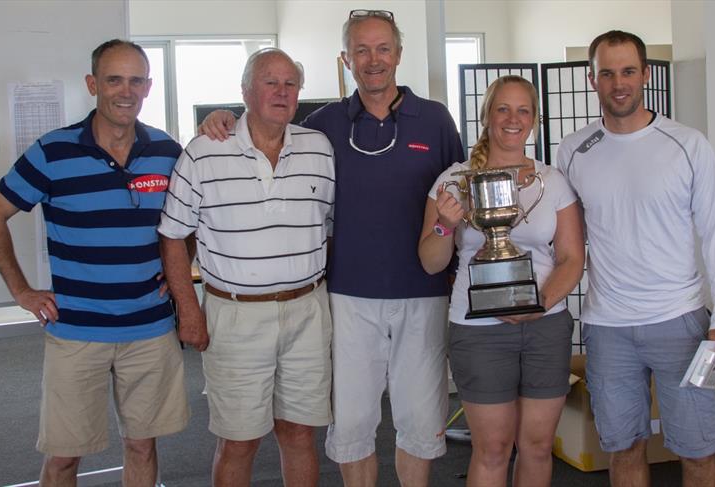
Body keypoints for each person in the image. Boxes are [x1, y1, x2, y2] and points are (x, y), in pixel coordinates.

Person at [199, 10, 464, 487]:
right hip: (345, 299)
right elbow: (264, 125)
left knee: (421, 424)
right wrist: (221, 119)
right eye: (361, 50)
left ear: (399, 55)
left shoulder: (437, 121)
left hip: (422, 296)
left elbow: (457, 202)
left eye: (383, 48)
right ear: (346, 60)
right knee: (352, 425)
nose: (373, 60)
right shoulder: (322, 126)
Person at [0, 40, 189, 486]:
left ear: (148, 87)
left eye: (136, 80)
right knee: (63, 458)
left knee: (141, 445)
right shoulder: (53, 152)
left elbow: (183, 226)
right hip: (77, 332)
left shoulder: (168, 152)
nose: (125, 91)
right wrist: (21, 290)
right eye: (114, 79)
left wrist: (178, 273)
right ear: (93, 84)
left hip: (149, 330)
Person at [556, 30, 715, 487]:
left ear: (646, 74)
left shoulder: (688, 144)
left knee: (698, 450)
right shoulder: (572, 151)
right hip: (607, 328)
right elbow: (563, 241)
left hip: (682, 324)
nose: (618, 83)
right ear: (591, 79)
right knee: (623, 448)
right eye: (607, 73)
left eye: (628, 71)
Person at [157, 48, 334, 487]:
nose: (281, 92)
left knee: (299, 434)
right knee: (239, 440)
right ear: (245, 92)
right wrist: (190, 311)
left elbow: (326, 225)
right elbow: (173, 235)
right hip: (234, 316)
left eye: (290, 84)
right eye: (269, 82)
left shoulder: (319, 148)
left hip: (307, 311)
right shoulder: (202, 152)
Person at [418, 75, 584, 486]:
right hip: (478, 330)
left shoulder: (553, 182)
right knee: (492, 449)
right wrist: (443, 226)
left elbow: (571, 258)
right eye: (503, 109)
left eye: (523, 110)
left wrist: (538, 304)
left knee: (537, 447)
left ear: (535, 120)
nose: (513, 119)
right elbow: (431, 263)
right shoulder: (453, 181)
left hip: (546, 326)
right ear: (487, 115)